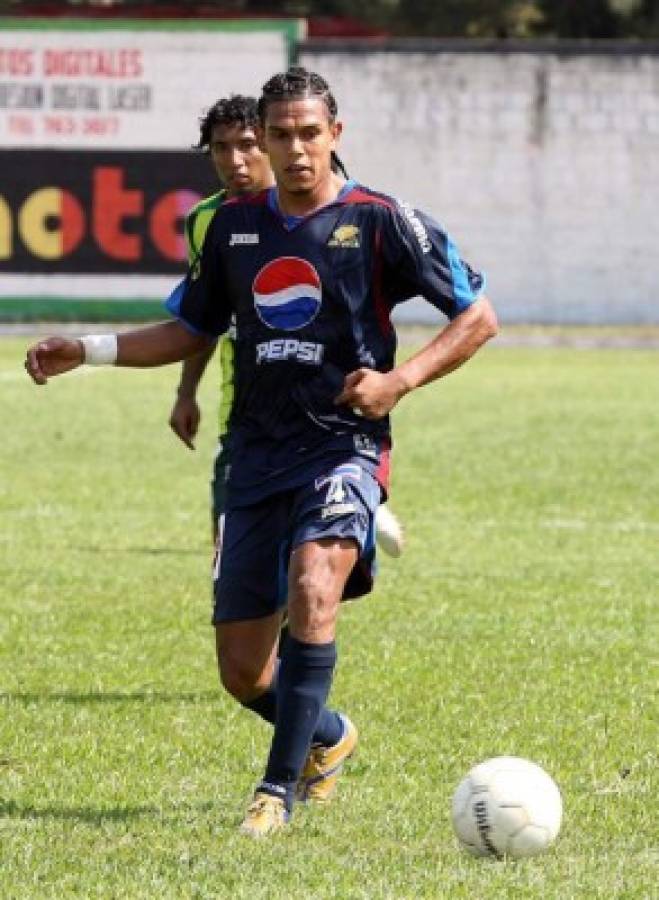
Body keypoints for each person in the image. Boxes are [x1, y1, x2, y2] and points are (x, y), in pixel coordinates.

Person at [25, 66, 498, 838]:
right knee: (242, 671)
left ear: (334, 134)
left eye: (308, 133)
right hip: (254, 457)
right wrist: (89, 347)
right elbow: (191, 329)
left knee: (314, 587)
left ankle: (275, 792)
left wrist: (399, 380)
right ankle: (327, 734)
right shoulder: (236, 228)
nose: (294, 149)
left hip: (342, 446)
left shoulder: (381, 220)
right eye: (280, 135)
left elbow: (476, 316)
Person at [169, 95, 405, 555]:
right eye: (220, 148)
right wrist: (185, 391)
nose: (234, 161)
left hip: (331, 419)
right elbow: (203, 317)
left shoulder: (337, 210)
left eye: (248, 145)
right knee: (236, 562)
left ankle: (357, 499)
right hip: (246, 414)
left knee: (309, 571)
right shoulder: (205, 221)